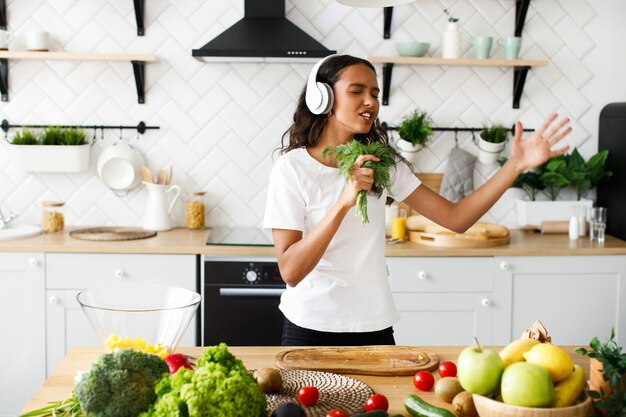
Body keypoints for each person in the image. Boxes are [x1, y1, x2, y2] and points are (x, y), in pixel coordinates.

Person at [263, 54, 571, 346]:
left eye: (375, 93)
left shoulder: (381, 163)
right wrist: (345, 200)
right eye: (357, 91)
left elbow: (456, 218)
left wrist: (514, 165)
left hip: (374, 325)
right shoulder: (292, 169)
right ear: (324, 99)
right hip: (310, 326)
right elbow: (291, 271)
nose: (371, 101)